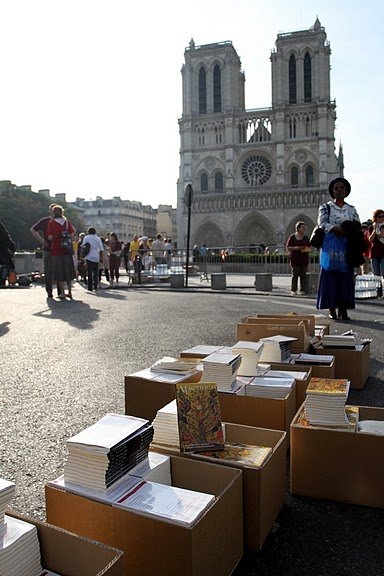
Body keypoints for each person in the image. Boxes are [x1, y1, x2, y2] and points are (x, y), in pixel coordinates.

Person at [316, 177, 364, 321]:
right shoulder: (325, 207)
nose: (338, 190)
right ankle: (332, 309)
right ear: (332, 191)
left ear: (346, 190)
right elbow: (322, 223)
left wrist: (348, 229)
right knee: (330, 277)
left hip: (346, 247)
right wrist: (335, 228)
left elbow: (357, 224)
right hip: (331, 246)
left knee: (345, 279)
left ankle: (343, 310)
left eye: (341, 187)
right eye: (336, 188)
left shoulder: (351, 209)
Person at [30, 203, 63, 298]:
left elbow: (32, 229)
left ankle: (50, 291)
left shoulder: (45, 221)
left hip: (48, 247)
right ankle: (58, 291)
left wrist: (42, 241)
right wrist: (42, 241)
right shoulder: (61, 221)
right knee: (57, 270)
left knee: (49, 270)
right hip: (56, 248)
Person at [46, 205, 76, 299]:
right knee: (68, 272)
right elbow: (72, 233)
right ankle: (70, 292)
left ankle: (62, 293)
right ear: (62, 212)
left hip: (56, 250)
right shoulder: (67, 222)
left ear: (53, 213)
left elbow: (50, 237)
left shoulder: (51, 223)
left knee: (59, 272)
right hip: (67, 250)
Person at [286, 221, 311, 295]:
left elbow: (309, 248)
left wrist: (306, 249)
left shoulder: (306, 238)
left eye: (305, 227)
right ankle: (294, 290)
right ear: (298, 228)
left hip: (304, 259)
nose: (304, 229)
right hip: (295, 260)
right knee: (295, 275)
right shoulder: (292, 237)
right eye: (303, 227)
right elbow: (288, 247)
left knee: (303, 275)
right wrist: (295, 248)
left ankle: (302, 290)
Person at [81, 227, 104, 292]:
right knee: (96, 272)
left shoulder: (86, 237)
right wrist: (101, 259)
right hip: (96, 257)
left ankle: (90, 287)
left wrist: (82, 256)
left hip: (89, 257)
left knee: (89, 272)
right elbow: (101, 249)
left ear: (88, 232)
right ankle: (95, 285)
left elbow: (83, 247)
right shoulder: (98, 238)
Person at [367, 210, 384, 282]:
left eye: (383, 216)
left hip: (383, 252)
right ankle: (378, 291)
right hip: (374, 252)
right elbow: (370, 239)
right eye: (379, 216)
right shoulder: (371, 227)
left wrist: (381, 234)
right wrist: (375, 230)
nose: (382, 218)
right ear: (375, 217)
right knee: (376, 274)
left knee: (383, 272)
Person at [0, 219, 16, 287]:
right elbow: (6, 237)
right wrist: (12, 248)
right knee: (7, 265)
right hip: (2, 253)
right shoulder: (2, 230)